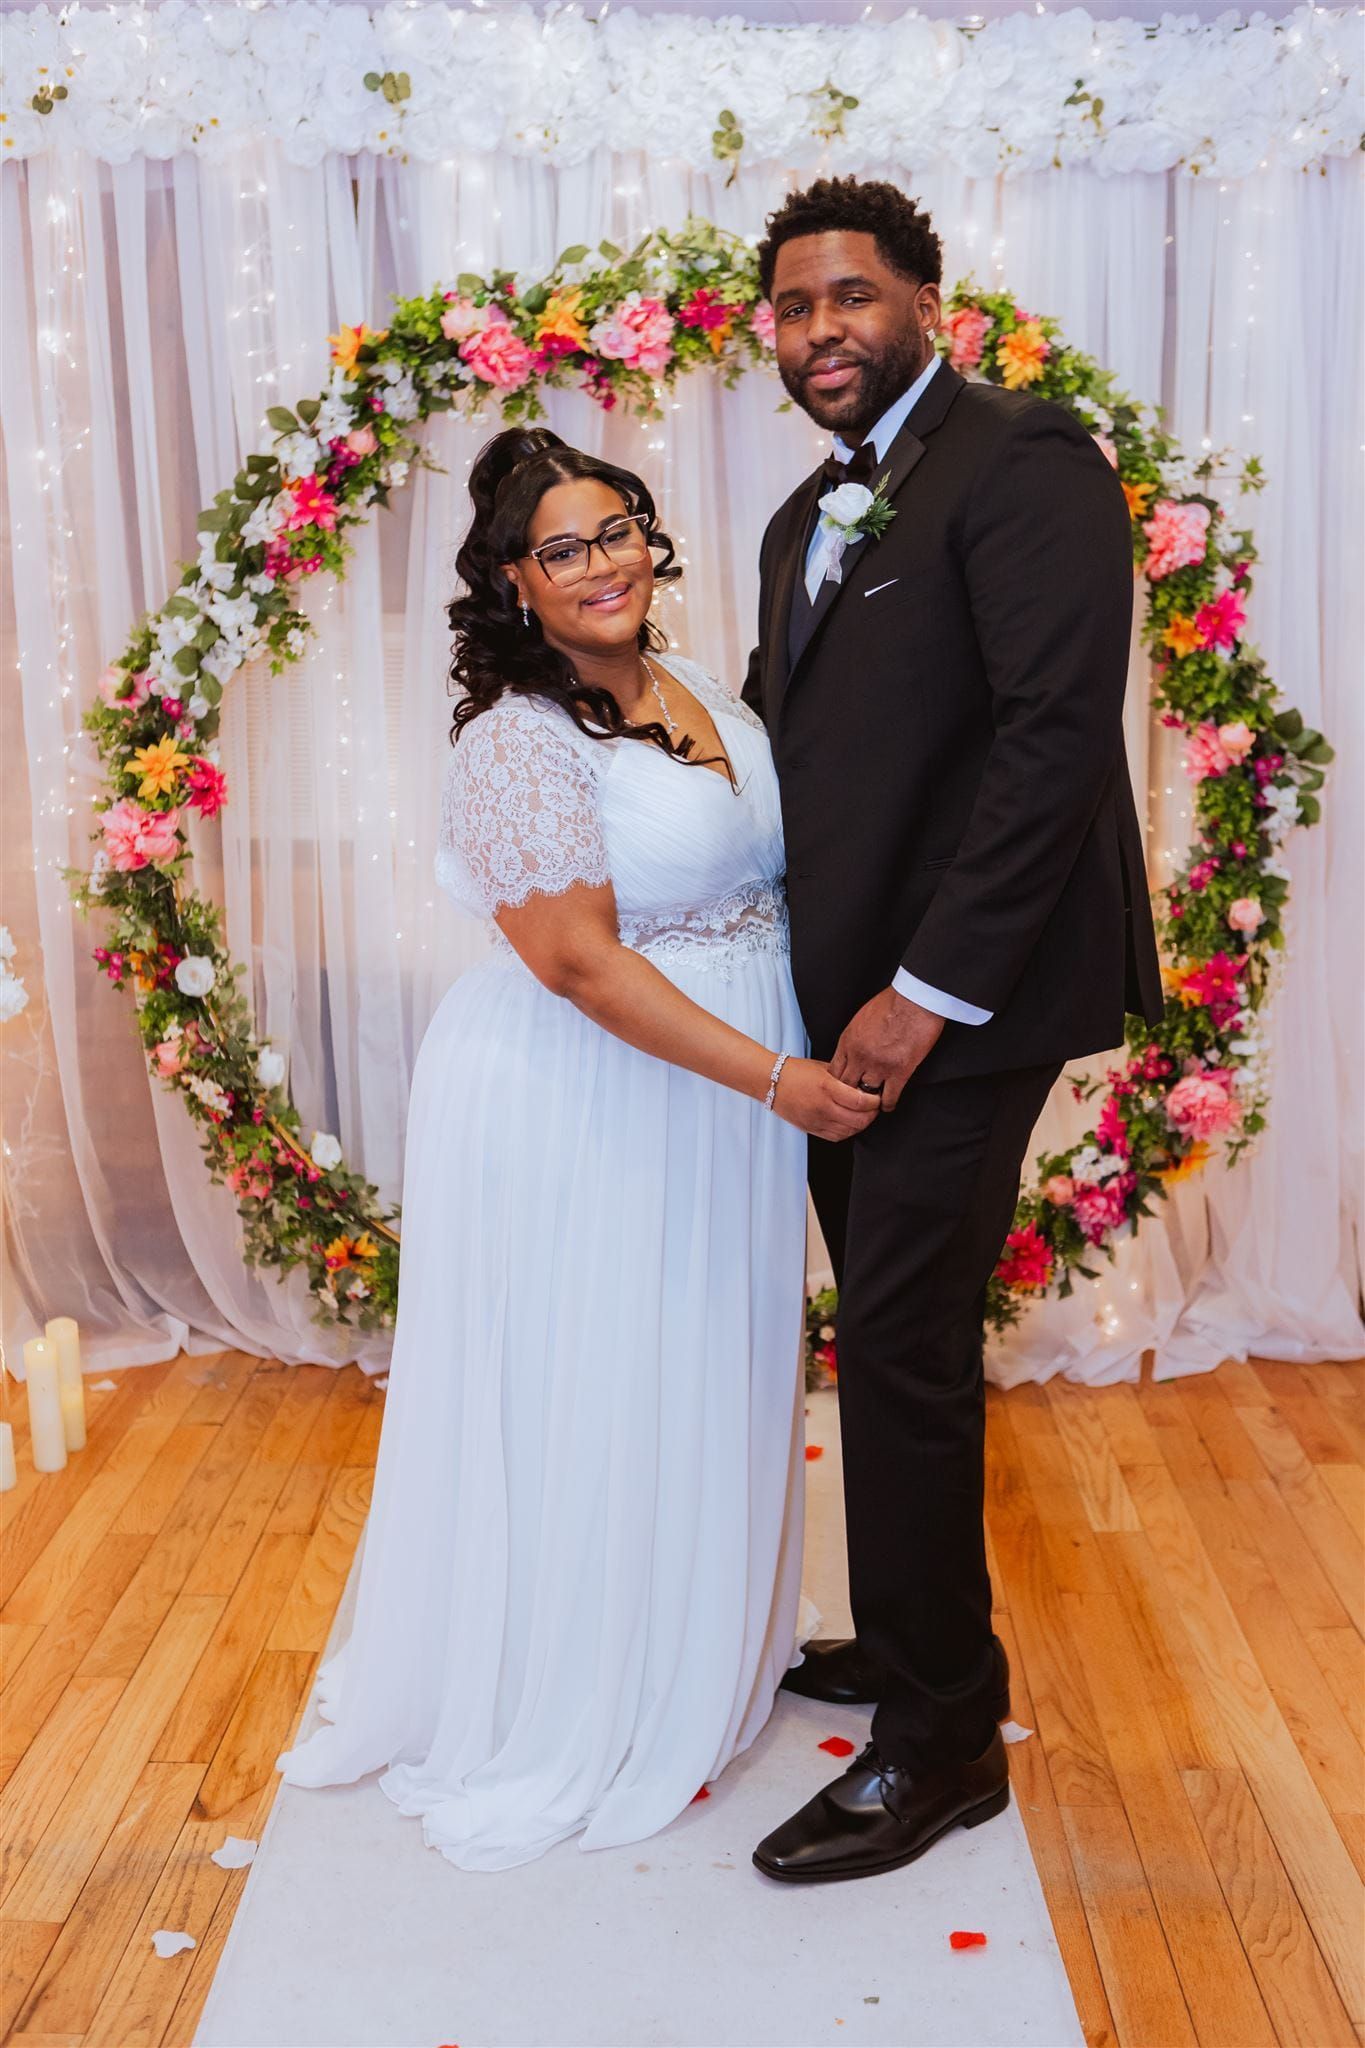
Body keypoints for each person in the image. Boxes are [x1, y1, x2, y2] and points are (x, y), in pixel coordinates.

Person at [277, 427, 877, 1871]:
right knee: (599, 1370)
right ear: (513, 581)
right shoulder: (516, 741)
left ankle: (696, 1644)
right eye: (563, 548)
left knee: (701, 1357)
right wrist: (778, 1079)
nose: (601, 564)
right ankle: (585, 1685)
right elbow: (579, 965)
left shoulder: (694, 685)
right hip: (593, 1091)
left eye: (616, 531)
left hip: (716, 1094)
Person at [743, 177, 1164, 1884]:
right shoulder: (803, 512)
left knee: (899, 1340)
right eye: (792, 307)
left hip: (960, 1002)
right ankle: (916, 1638)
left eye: (850, 295)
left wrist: (921, 997)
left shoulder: (1023, 458)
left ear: (926, 301)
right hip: (846, 998)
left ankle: (939, 1745)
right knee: (888, 1329)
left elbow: (1053, 741)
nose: (820, 329)